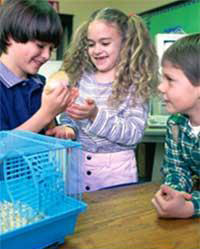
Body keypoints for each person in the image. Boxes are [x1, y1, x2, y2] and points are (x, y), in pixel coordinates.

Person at [46, 7, 159, 192]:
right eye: (91, 44)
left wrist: (95, 115)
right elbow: (70, 117)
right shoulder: (81, 78)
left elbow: (133, 134)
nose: (96, 50)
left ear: (125, 43)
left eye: (105, 43)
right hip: (77, 167)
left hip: (116, 172)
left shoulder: (134, 84)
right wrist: (68, 128)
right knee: (82, 218)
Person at [0, 0, 72, 133]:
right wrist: (46, 114)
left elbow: (47, 133)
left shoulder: (40, 83)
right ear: (10, 37)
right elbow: (3, 148)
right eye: (40, 45)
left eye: (51, 49)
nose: (46, 56)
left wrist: (59, 130)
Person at [152, 33, 200, 218]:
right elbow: (176, 170)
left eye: (170, 79)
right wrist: (173, 193)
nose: (161, 87)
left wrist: (190, 207)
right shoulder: (175, 124)